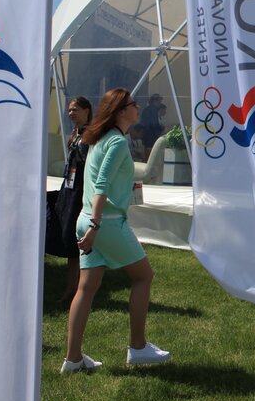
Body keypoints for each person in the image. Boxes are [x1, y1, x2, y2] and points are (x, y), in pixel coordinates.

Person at [63, 87, 172, 374]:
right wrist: (96, 225)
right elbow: (101, 185)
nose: (138, 108)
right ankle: (138, 347)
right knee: (143, 276)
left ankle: (73, 359)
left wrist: (91, 224)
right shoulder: (116, 142)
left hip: (87, 220)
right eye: (134, 104)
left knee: (86, 288)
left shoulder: (99, 139)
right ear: (121, 111)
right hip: (105, 223)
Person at [48, 96, 92, 305]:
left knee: (77, 238)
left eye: (75, 109)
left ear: (86, 110)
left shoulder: (92, 134)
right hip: (70, 187)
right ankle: (71, 286)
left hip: (82, 189)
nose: (71, 113)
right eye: (69, 110)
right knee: (68, 235)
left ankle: (79, 287)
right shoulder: (75, 133)